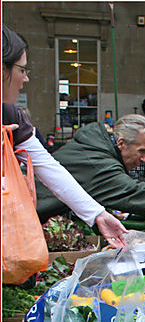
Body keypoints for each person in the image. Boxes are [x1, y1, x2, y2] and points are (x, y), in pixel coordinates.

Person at [2, 24, 127, 249]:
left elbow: (47, 166)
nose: (26, 79)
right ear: (2, 70)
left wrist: (97, 214)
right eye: (22, 70)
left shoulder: (11, 115)